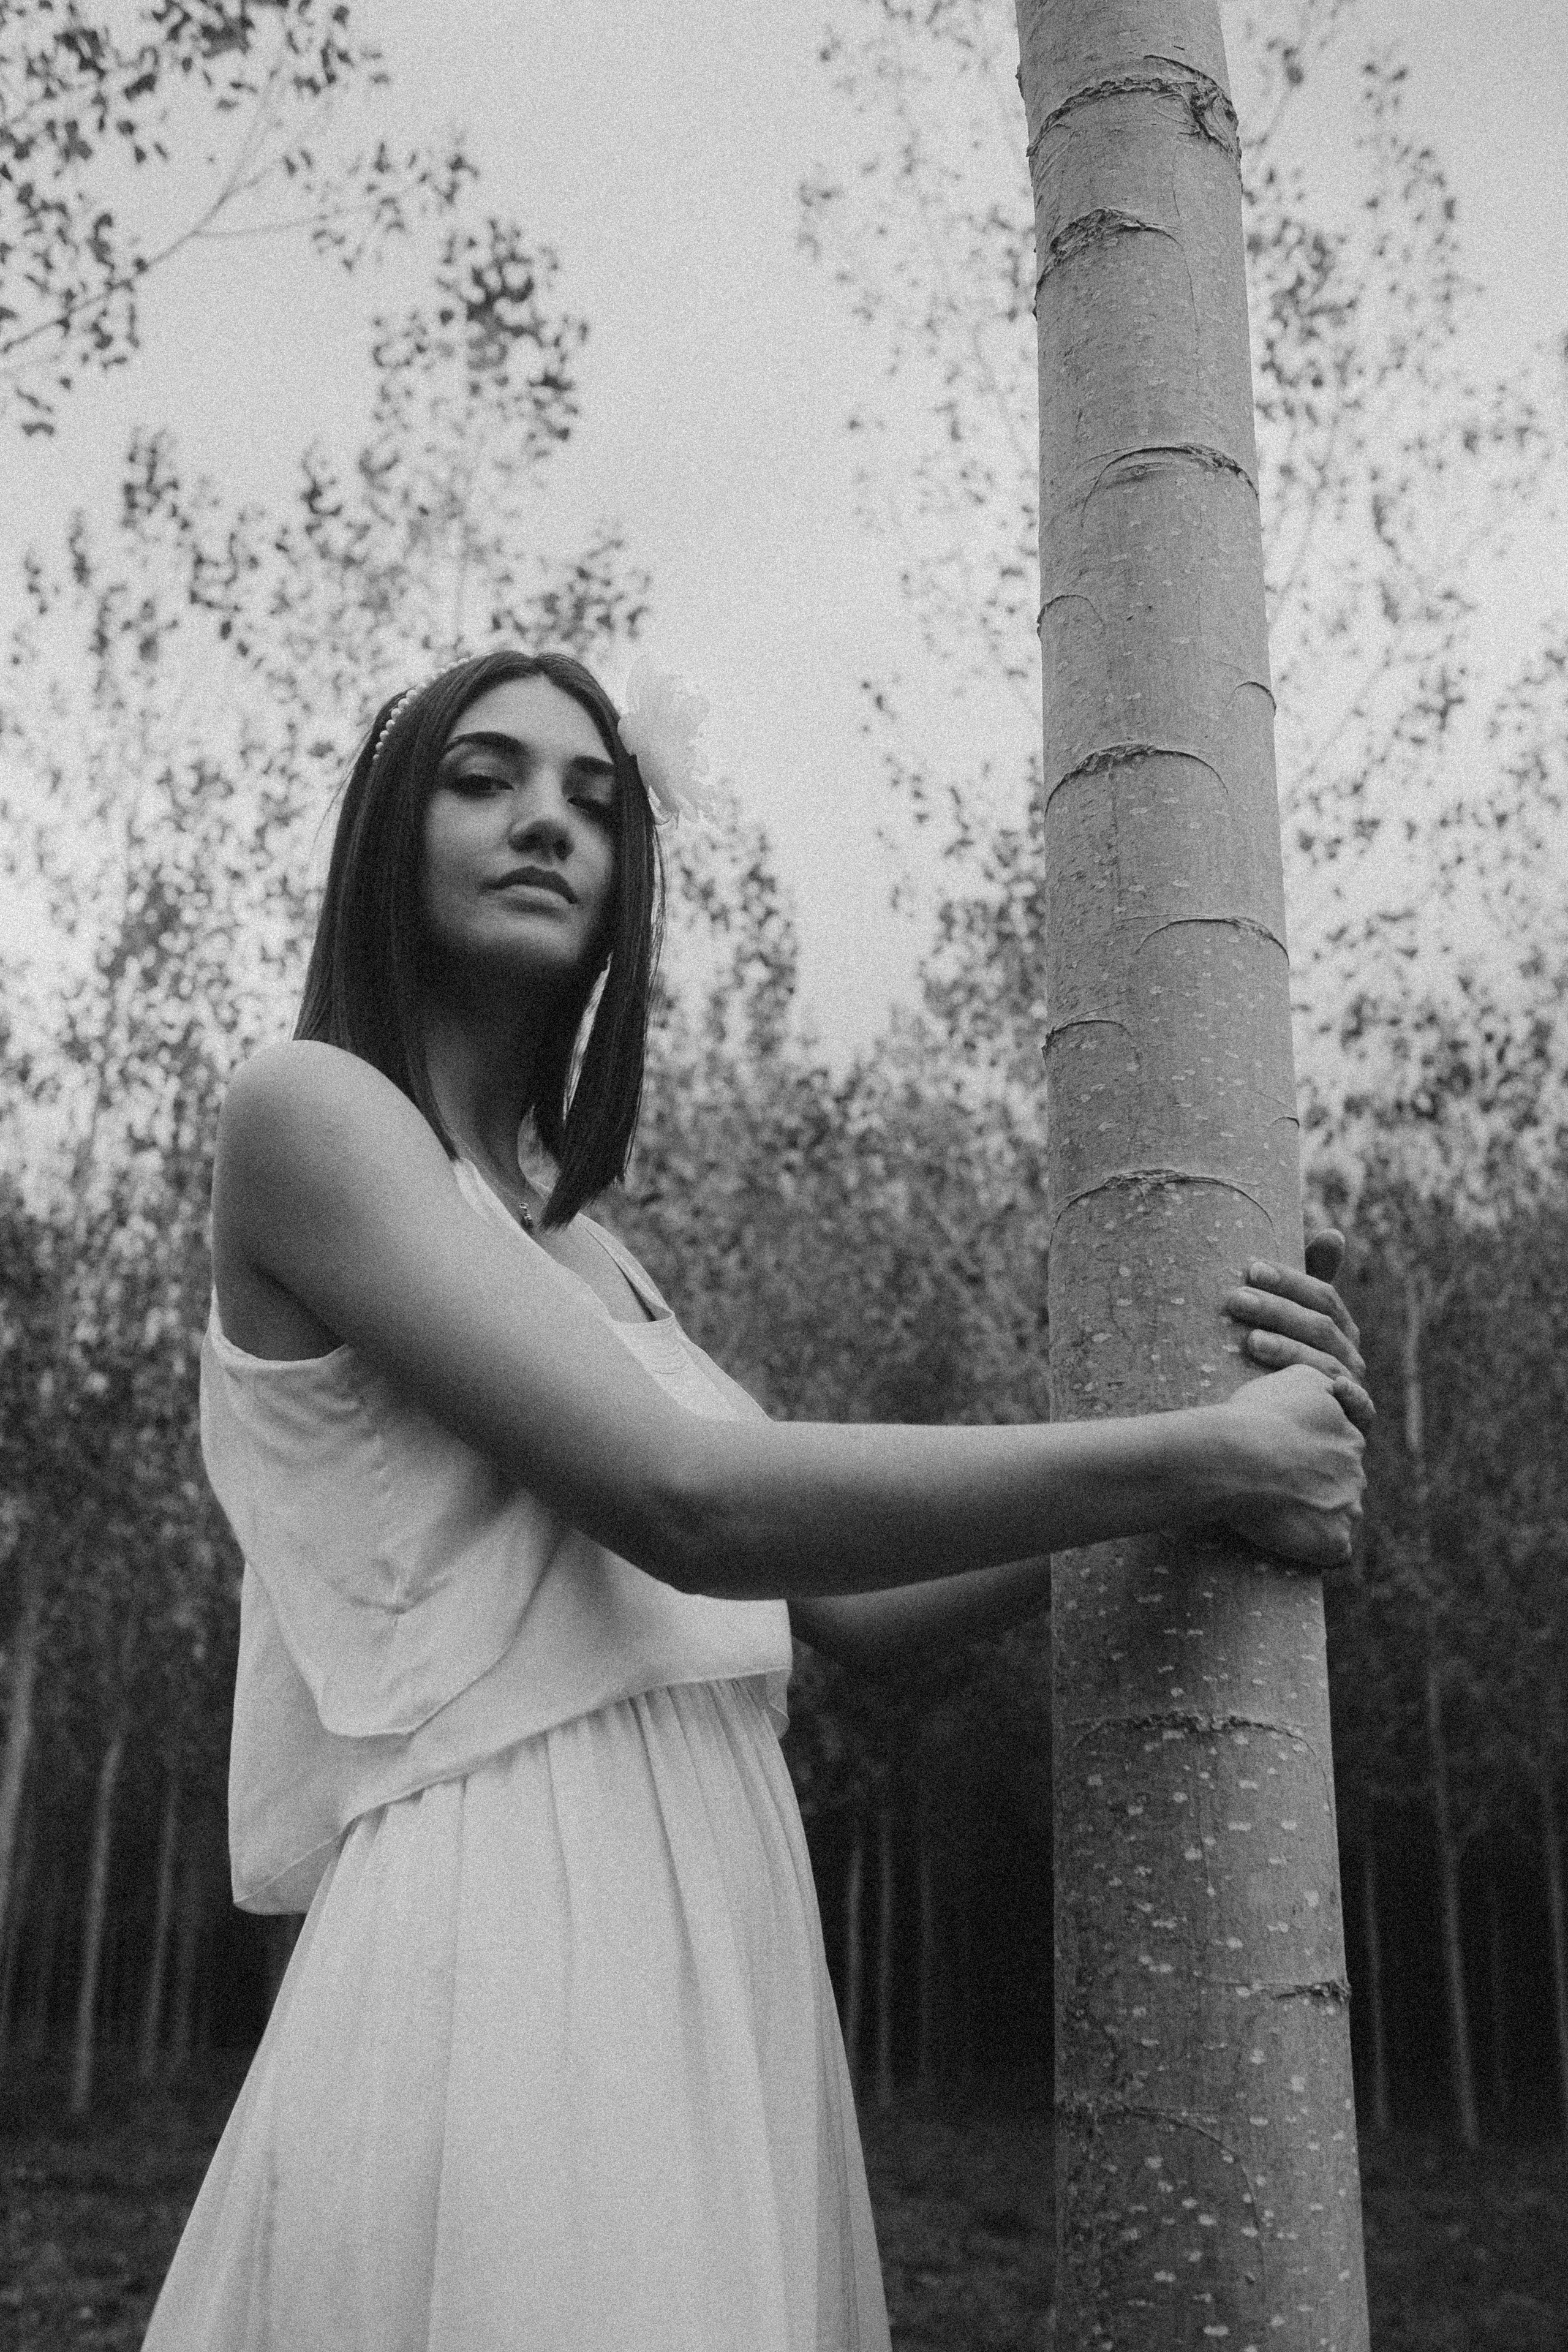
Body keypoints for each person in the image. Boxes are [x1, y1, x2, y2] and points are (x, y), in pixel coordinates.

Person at [141, 647, 1370, 2352]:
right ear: (385, 835)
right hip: (513, 1916)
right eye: (483, 778)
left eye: (592, 798)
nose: (546, 824)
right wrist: (1212, 1453)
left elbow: (848, 1614)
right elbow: (691, 1499)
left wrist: (1209, 1468)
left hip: (713, 1927)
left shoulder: (591, 1253)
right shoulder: (310, 1118)